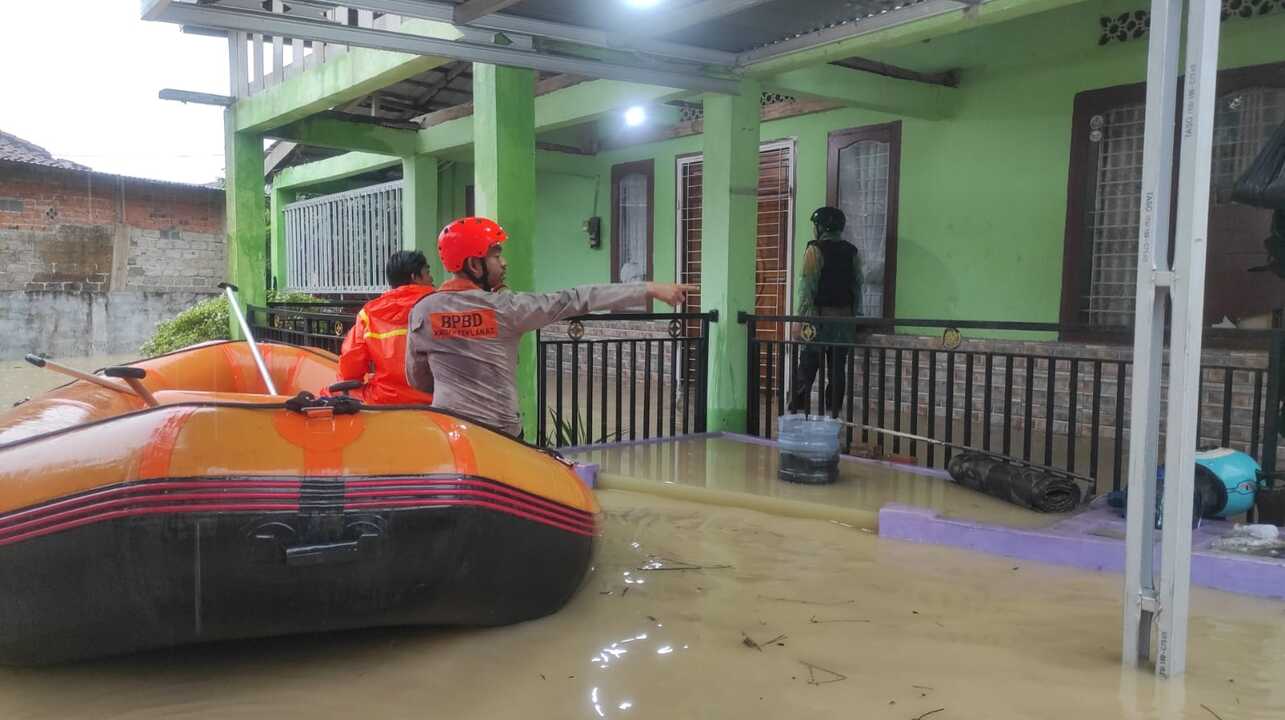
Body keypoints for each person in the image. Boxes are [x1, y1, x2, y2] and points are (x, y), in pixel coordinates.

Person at [405, 216, 691, 439]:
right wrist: (650, 289)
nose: (503, 263)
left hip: (449, 430)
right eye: (495, 255)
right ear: (474, 265)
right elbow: (576, 299)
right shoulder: (506, 309)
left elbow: (417, 379)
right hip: (501, 433)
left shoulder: (423, 311)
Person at [333, 249, 436, 405]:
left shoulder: (369, 314)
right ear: (415, 277)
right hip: (438, 400)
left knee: (330, 394)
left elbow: (350, 368)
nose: (432, 278)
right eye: (427, 272)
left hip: (385, 400)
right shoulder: (442, 305)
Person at [788, 206, 862, 417]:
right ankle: (833, 414)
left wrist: (799, 320)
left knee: (807, 367)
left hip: (817, 318)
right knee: (838, 369)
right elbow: (858, 286)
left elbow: (806, 288)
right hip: (845, 319)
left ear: (821, 227)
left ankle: (797, 411)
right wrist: (853, 317)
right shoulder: (852, 251)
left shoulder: (815, 250)